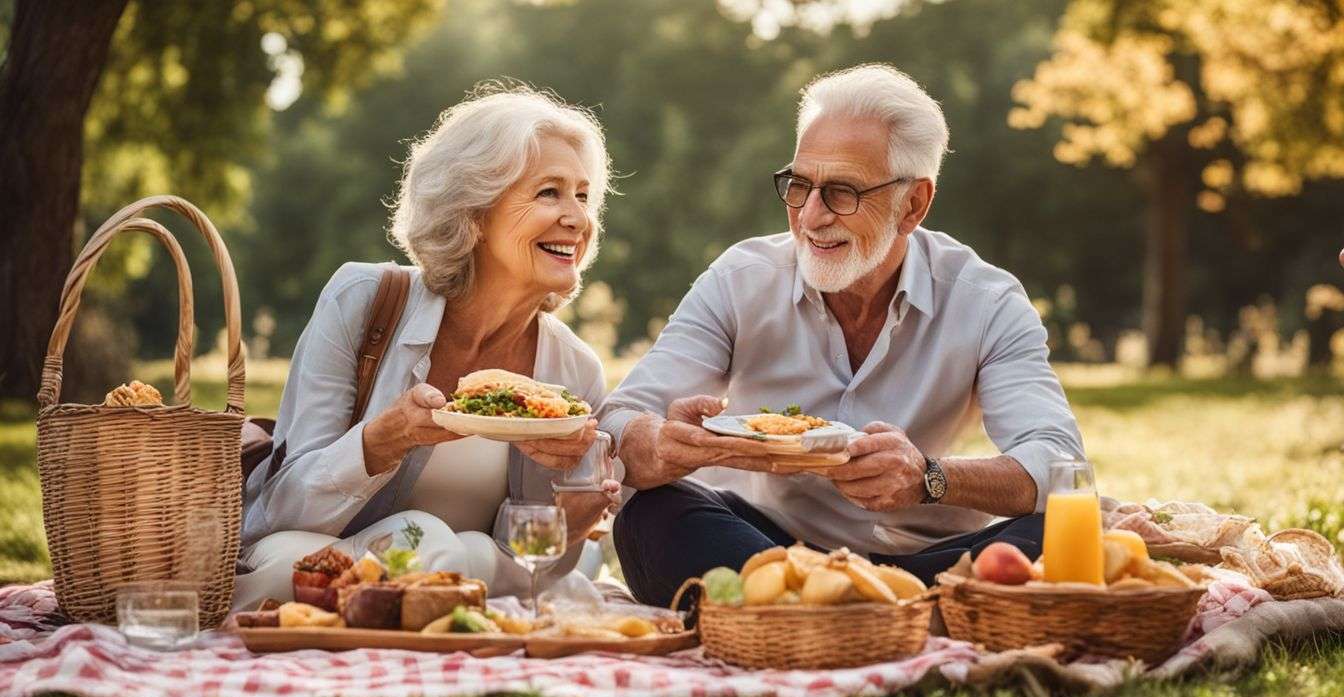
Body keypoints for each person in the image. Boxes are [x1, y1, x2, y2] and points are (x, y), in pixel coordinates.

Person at [599, 64, 1086, 608]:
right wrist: (662, 446)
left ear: (914, 204)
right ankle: (898, 618)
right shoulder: (739, 279)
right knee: (653, 516)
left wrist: (930, 478)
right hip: (764, 549)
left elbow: (1058, 465)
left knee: (1059, 535)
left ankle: (813, 614)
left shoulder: (987, 300)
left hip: (929, 558)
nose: (810, 215)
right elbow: (618, 423)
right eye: (800, 185)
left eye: (842, 192)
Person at [235, 84, 618, 610]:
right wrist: (380, 443)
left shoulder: (573, 372)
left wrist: (574, 518)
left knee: (447, 549)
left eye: (582, 194)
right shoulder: (364, 302)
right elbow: (281, 513)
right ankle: (424, 585)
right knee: (300, 557)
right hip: (318, 548)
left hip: (462, 571)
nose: (577, 217)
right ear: (475, 211)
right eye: (549, 192)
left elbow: (530, 558)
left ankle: (413, 589)